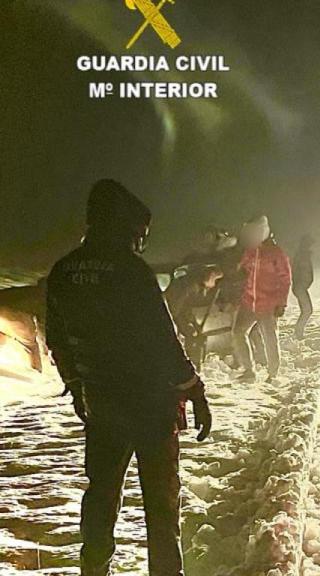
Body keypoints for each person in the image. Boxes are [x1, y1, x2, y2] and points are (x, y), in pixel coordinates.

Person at [46, 179, 212, 576]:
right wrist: (195, 391)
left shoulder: (63, 272)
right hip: (151, 407)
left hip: (101, 406)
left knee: (101, 498)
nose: (141, 242)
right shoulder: (132, 273)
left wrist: (78, 389)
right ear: (120, 225)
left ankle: (94, 569)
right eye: (139, 233)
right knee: (160, 509)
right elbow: (163, 342)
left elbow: (58, 342)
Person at [232, 215, 291, 382]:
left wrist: (282, 303)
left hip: (269, 303)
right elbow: (241, 269)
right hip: (249, 301)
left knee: (269, 337)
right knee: (238, 332)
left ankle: (273, 374)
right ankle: (249, 370)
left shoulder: (276, 253)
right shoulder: (251, 251)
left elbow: (285, 279)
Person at [164, 265, 224, 371]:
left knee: (193, 334)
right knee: (187, 335)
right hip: (169, 310)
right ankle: (186, 364)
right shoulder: (190, 285)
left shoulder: (196, 286)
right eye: (214, 279)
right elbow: (176, 304)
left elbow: (186, 306)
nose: (214, 284)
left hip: (177, 311)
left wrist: (193, 323)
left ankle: (193, 364)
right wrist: (170, 319)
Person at [291, 235, 314, 339]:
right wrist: (301, 283)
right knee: (307, 310)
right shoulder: (302, 256)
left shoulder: (303, 255)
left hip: (300, 286)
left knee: (306, 310)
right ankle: (298, 333)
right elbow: (300, 271)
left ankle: (299, 332)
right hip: (300, 287)